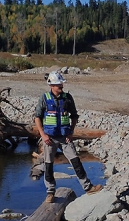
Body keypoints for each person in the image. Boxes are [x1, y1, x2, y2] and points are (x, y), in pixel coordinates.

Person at [34, 71, 103, 203]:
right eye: (58, 85)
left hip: (65, 137)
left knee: (76, 161)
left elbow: (74, 116)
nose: (61, 86)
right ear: (51, 85)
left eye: (61, 84)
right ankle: (50, 193)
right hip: (49, 138)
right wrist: (43, 135)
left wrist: (71, 132)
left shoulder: (67, 98)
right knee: (48, 165)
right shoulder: (44, 98)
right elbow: (37, 117)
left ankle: (88, 188)